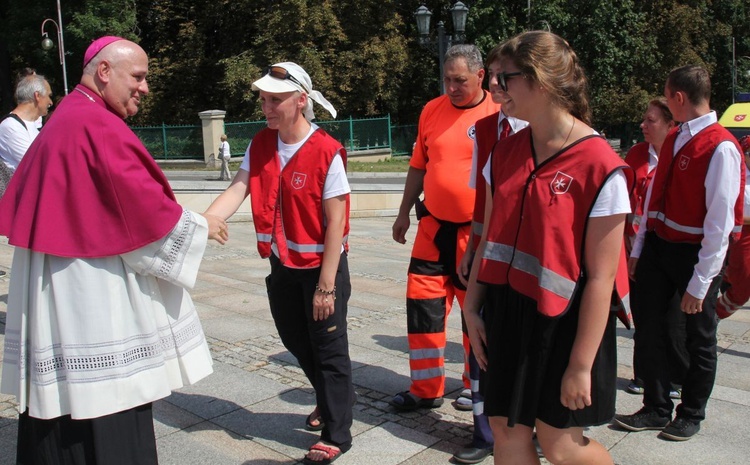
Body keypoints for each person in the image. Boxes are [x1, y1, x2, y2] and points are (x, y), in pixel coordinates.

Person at [0, 36, 225, 464]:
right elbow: (141, 219)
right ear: (104, 72)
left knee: (63, 412)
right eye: (137, 77)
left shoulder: (70, 116)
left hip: (62, 284)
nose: (144, 88)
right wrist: (201, 225)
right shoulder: (96, 126)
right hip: (91, 296)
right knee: (109, 405)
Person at [463, 31, 632, 464]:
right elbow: (490, 239)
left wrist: (580, 366)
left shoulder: (600, 166)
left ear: (538, 81)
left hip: (566, 323)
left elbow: (602, 276)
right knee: (505, 429)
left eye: (505, 79)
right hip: (507, 310)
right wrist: (471, 306)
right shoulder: (503, 152)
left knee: (559, 444)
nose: (495, 89)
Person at [203, 62, 354, 465]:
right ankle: (327, 398)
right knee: (294, 339)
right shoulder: (261, 143)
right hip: (282, 266)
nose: (266, 107)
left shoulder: (326, 151)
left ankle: (337, 433)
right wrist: (208, 218)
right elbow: (238, 186)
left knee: (329, 348)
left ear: (300, 100)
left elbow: (337, 221)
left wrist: (326, 287)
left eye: (275, 99)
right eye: (264, 99)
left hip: (323, 268)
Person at [614, 64, 744, 441]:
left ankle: (691, 412)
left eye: (667, 95)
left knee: (699, 335)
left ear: (679, 98)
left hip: (694, 254)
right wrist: (639, 248)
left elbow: (720, 225)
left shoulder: (720, 146)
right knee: (650, 327)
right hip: (659, 245)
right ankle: (656, 406)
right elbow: (653, 198)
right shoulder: (676, 137)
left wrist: (701, 283)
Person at [389, 44, 499, 421]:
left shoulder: (500, 113)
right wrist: (403, 212)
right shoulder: (431, 110)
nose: (451, 87)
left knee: (475, 315)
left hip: (476, 235)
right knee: (422, 311)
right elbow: (419, 166)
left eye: (460, 80)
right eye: (447, 79)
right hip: (432, 230)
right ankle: (425, 389)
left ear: (481, 76)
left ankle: (474, 385)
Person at [452, 43, 528, 465]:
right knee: (482, 344)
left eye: (504, 77)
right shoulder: (484, 130)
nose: (496, 85)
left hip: (531, 261)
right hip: (491, 255)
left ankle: (527, 429)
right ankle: (485, 433)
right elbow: (482, 200)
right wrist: (474, 248)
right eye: (494, 76)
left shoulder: (541, 129)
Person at [624, 99, 688, 400]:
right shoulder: (637, 154)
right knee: (644, 316)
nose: (643, 125)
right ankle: (644, 375)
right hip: (636, 247)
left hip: (670, 246)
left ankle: (676, 375)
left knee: (673, 318)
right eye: (644, 119)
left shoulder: (680, 155)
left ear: (669, 124)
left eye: (651, 121)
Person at [712, 134, 750, 319]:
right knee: (744, 285)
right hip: (742, 233)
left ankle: (726, 274)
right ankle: (715, 314)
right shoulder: (736, 173)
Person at [0, 73, 53, 171]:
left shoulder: (33, 124)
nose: (50, 102)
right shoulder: (11, 127)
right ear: (37, 96)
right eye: (48, 96)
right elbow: (38, 164)